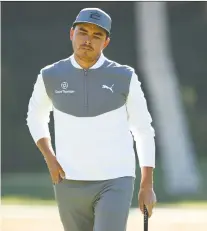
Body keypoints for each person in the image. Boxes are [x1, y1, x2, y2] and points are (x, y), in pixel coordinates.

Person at [27, 7, 156, 231]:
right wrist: (50, 157)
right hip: (68, 181)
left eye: (97, 35)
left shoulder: (125, 76)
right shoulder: (50, 75)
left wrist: (147, 184)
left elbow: (143, 130)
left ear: (106, 42)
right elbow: (35, 117)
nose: (88, 40)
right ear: (71, 34)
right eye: (82, 32)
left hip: (115, 179)